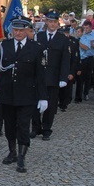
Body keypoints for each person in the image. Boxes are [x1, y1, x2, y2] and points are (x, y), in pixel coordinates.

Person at [0, 17, 47, 173]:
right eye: (16, 30)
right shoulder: (2, 46)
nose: (18, 33)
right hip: (7, 93)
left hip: (27, 94)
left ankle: (21, 157)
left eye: (22, 30)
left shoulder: (36, 48)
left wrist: (43, 97)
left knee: (23, 125)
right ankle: (12, 151)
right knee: (9, 126)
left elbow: (41, 75)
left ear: (28, 30)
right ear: (11, 30)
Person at [31, 11, 71, 140]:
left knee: (51, 104)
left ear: (58, 24)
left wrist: (63, 78)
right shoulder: (39, 36)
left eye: (54, 22)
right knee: (35, 103)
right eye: (50, 21)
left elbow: (65, 60)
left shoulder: (63, 39)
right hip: (39, 75)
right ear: (46, 22)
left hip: (53, 77)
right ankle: (36, 127)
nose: (52, 24)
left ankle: (47, 129)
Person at [75, 20, 94, 102]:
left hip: (89, 57)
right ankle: (78, 96)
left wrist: (92, 45)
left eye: (87, 28)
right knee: (79, 77)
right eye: (84, 28)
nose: (85, 29)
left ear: (90, 27)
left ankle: (85, 93)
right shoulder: (82, 35)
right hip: (81, 58)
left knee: (88, 76)